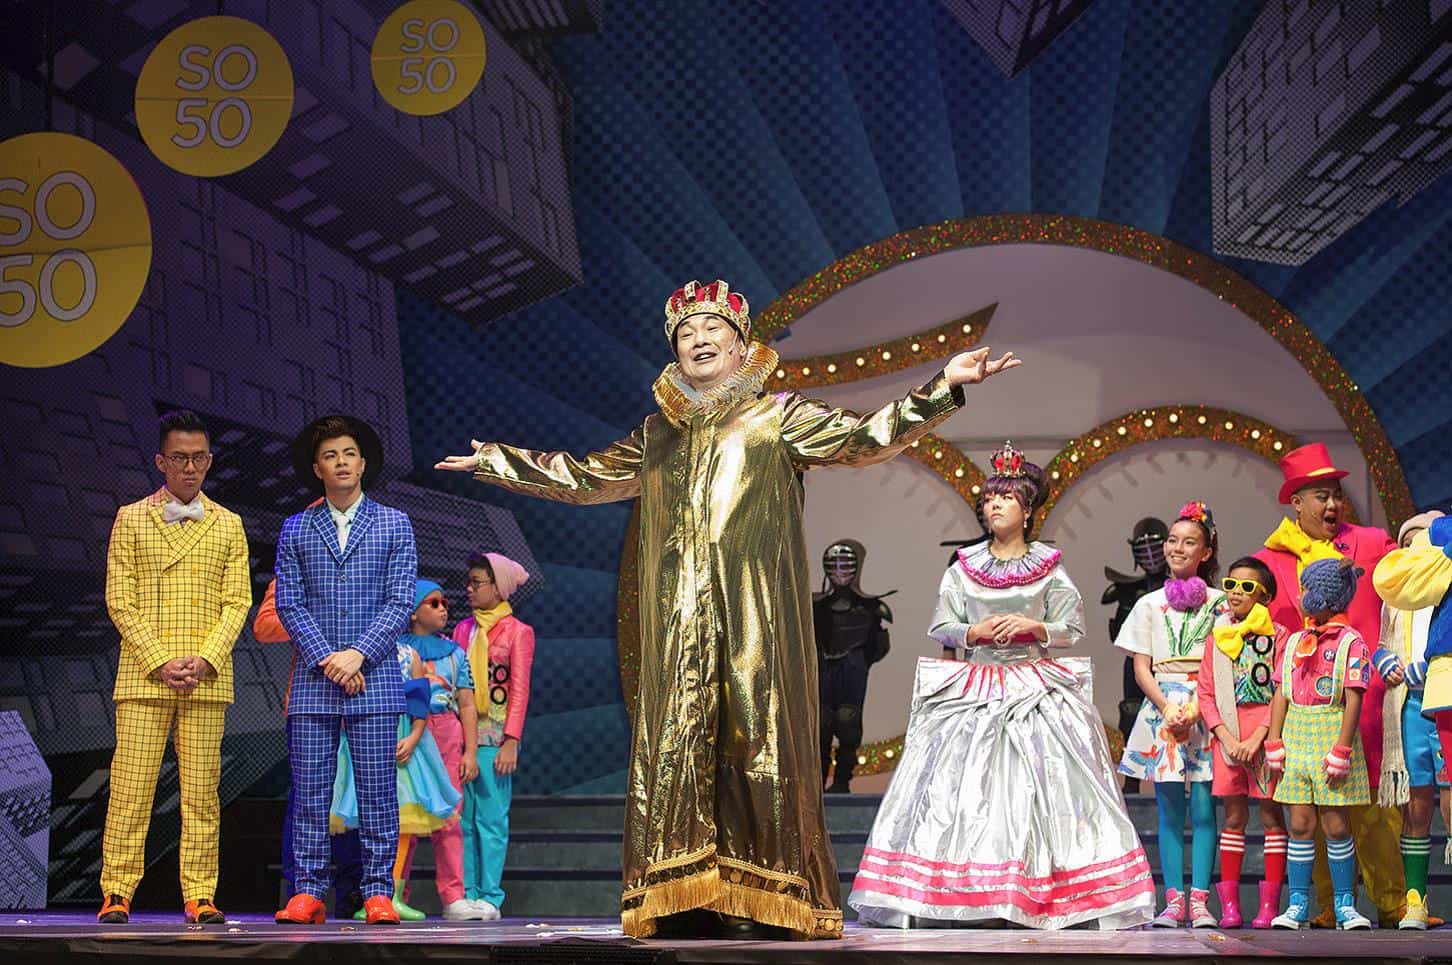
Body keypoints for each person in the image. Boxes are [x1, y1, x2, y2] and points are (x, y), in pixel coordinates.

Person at [437, 279, 1020, 939]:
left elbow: (865, 438)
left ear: (742, 345)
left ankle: (762, 894)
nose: (699, 340)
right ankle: (683, 891)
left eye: (713, 329)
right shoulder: (657, 434)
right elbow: (586, 476)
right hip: (678, 624)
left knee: (754, 738)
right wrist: (500, 460)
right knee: (680, 744)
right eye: (686, 333)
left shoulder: (778, 416)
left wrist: (942, 386)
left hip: (753, 621)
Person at [848, 443, 1153, 929]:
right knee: (962, 789)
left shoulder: (1049, 566)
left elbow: (1072, 627)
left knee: (1039, 788)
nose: (995, 505)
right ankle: (968, 893)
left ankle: (1039, 890)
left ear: (1027, 510)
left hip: (1035, 685)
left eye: (1006, 498)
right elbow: (942, 624)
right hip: (977, 685)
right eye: (989, 498)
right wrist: (973, 632)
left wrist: (1035, 627)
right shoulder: (964, 566)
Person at [98, 410, 250, 925]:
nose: (190, 468)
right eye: (180, 458)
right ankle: (117, 889)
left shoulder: (228, 523)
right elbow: (120, 600)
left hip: (205, 678)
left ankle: (200, 893)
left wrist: (205, 659)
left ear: (209, 461)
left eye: (199, 458)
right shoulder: (130, 517)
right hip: (145, 676)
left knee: (202, 794)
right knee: (131, 789)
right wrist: (161, 661)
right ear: (161, 461)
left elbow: (237, 601)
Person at [273, 415, 418, 926]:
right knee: (311, 793)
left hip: (373, 677)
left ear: (363, 463)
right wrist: (329, 658)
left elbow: (400, 600)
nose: (341, 463)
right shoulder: (296, 528)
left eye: (349, 454)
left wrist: (358, 654)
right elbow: (289, 603)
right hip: (316, 679)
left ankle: (378, 892)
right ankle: (308, 891)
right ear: (317, 468)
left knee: (378, 790)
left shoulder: (394, 523)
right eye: (331, 455)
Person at [1253, 442, 1404, 928]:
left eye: (1336, 494)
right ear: (1296, 503)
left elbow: (1411, 576)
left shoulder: (1372, 542)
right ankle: (1324, 906)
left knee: (1375, 810)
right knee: (1310, 816)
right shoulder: (1270, 560)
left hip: (1365, 698)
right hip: (1303, 709)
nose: (1333, 504)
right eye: (1321, 496)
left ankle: (1393, 904)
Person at [1116, 500, 1226, 928]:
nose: (1177, 548)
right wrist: (1166, 707)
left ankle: (1200, 901)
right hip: (1162, 709)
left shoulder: (1221, 604)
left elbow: (1224, 662)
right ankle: (1173, 900)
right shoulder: (1148, 604)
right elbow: (1140, 668)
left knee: (1203, 809)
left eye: (1189, 542)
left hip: (1206, 706)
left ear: (1206, 551)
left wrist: (1198, 707)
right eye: (1173, 541)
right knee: (1168, 811)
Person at [330, 581, 463, 921]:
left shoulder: (409, 655)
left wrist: (415, 737)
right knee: (367, 815)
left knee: (402, 819)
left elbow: (419, 703)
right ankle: (371, 893)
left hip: (403, 743)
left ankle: (390, 893)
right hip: (366, 737)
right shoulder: (356, 656)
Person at [1264, 558, 1374, 929]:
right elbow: (1281, 690)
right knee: (1299, 824)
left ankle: (1345, 904)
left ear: (1326, 597)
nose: (1302, 596)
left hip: (1331, 731)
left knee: (1337, 825)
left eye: (1308, 589)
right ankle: (1297, 903)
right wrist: (1274, 739)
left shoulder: (1350, 642)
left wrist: (1342, 748)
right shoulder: (1296, 641)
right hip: (1296, 735)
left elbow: (1354, 696)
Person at [254, 573, 365, 918]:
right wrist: (317, 622)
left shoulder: (369, 558)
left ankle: (356, 894)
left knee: (361, 798)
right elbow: (265, 626)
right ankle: (301, 893)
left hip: (364, 692)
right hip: (311, 696)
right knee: (308, 798)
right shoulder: (296, 567)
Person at [1195, 556, 1289, 928]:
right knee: (1233, 817)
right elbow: (1206, 693)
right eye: (1231, 585)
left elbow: (1282, 689)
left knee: (1270, 815)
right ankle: (1230, 907)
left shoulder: (1279, 636)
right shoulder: (1217, 636)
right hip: (1228, 738)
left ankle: (1269, 907)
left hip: (1265, 735)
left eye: (1247, 587)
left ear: (1265, 596)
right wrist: (1225, 736)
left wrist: (1259, 737)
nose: (1236, 593)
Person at [1372, 510, 1452, 929]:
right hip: (1409, 705)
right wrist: (1384, 660)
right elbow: (1382, 642)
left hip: (1446, 694)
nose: (1414, 550)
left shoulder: (1447, 583)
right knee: (1416, 803)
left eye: (1423, 542)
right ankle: (1415, 901)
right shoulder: (1395, 598)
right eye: (1407, 544)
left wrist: (1430, 664)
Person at [451, 551, 534, 922]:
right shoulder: (463, 630)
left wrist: (511, 739)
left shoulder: (518, 632)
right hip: (461, 737)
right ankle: (466, 893)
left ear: (498, 588)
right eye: (468, 582)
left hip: (495, 738)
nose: (469, 589)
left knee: (491, 819)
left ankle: (489, 895)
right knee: (463, 820)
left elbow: (520, 689)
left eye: (476, 583)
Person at [813, 539, 892, 793]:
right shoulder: (814, 608)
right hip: (823, 671)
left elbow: (879, 647)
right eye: (834, 564)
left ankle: (841, 782)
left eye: (844, 564)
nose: (839, 570)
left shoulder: (871, 609)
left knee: (848, 723)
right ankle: (817, 783)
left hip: (852, 671)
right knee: (822, 725)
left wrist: (858, 661)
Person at [1104, 517, 1170, 793]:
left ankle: (1170, 777)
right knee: (1132, 712)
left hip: (1170, 660)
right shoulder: (1126, 591)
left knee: (1173, 713)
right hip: (1135, 659)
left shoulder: (1181, 587)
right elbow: (1120, 634)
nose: (1151, 556)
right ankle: (1131, 780)